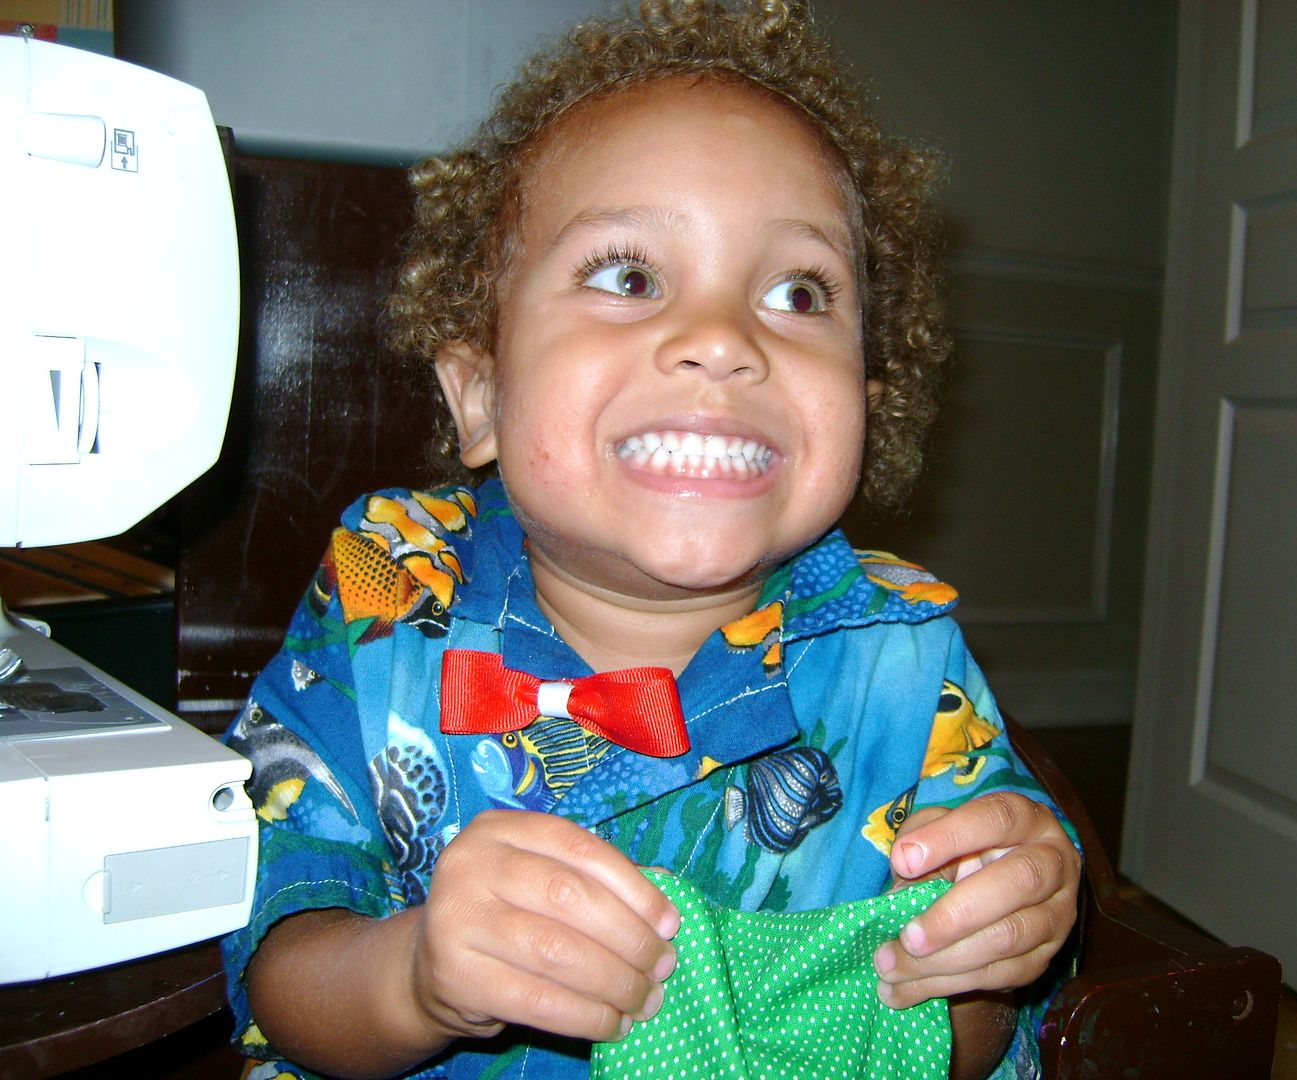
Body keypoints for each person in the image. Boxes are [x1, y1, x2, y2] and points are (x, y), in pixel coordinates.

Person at [221, 3, 1082, 1078]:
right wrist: (411, 980)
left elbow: (976, 1037)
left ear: (869, 397)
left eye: (797, 292)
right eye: (629, 277)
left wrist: (998, 953)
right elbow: (277, 960)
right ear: (480, 393)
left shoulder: (905, 654)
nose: (723, 339)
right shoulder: (381, 588)